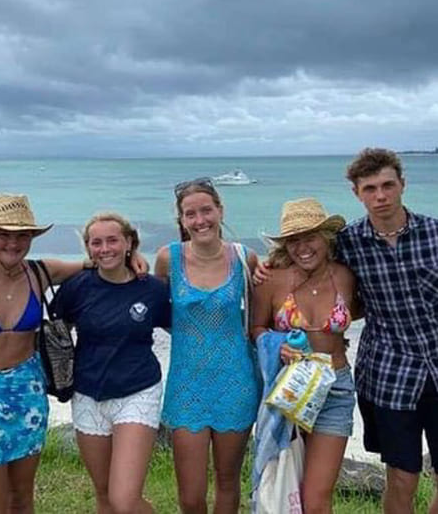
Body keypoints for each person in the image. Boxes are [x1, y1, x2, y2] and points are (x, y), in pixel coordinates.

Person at [0, 195, 139, 514]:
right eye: (3, 234)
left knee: (23, 499)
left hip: (28, 392)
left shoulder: (41, 271)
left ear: (31, 238)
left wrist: (134, 257)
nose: (12, 243)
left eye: (21, 235)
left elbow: (98, 261)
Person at [338, 148, 438, 514]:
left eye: (387, 186)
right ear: (356, 193)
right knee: (402, 475)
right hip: (389, 372)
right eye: (370, 189)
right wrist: (263, 271)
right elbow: (306, 266)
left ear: (402, 185)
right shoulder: (348, 243)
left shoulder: (434, 233)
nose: (380, 196)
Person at [50, 212, 170, 514]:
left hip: (138, 391)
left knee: (125, 500)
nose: (105, 249)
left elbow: (179, 326)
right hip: (88, 392)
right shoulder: (77, 286)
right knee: (104, 496)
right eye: (96, 243)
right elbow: (54, 331)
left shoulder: (153, 289)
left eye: (113, 240)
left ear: (129, 243)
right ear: (88, 249)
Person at [154, 177, 260, 513]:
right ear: (181, 220)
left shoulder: (246, 259)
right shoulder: (168, 259)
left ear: (219, 210)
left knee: (228, 481)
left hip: (236, 382)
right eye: (190, 214)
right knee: (190, 494)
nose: (200, 220)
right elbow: (154, 312)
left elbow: (259, 321)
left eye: (206, 210)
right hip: (187, 384)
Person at [252, 198, 359, 514]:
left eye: (310, 237)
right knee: (283, 487)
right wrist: (276, 342)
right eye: (294, 240)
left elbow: (370, 309)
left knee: (315, 497)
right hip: (289, 390)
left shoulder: (347, 277)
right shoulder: (271, 279)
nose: (303, 247)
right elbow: (255, 327)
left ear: (326, 238)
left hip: (335, 390)